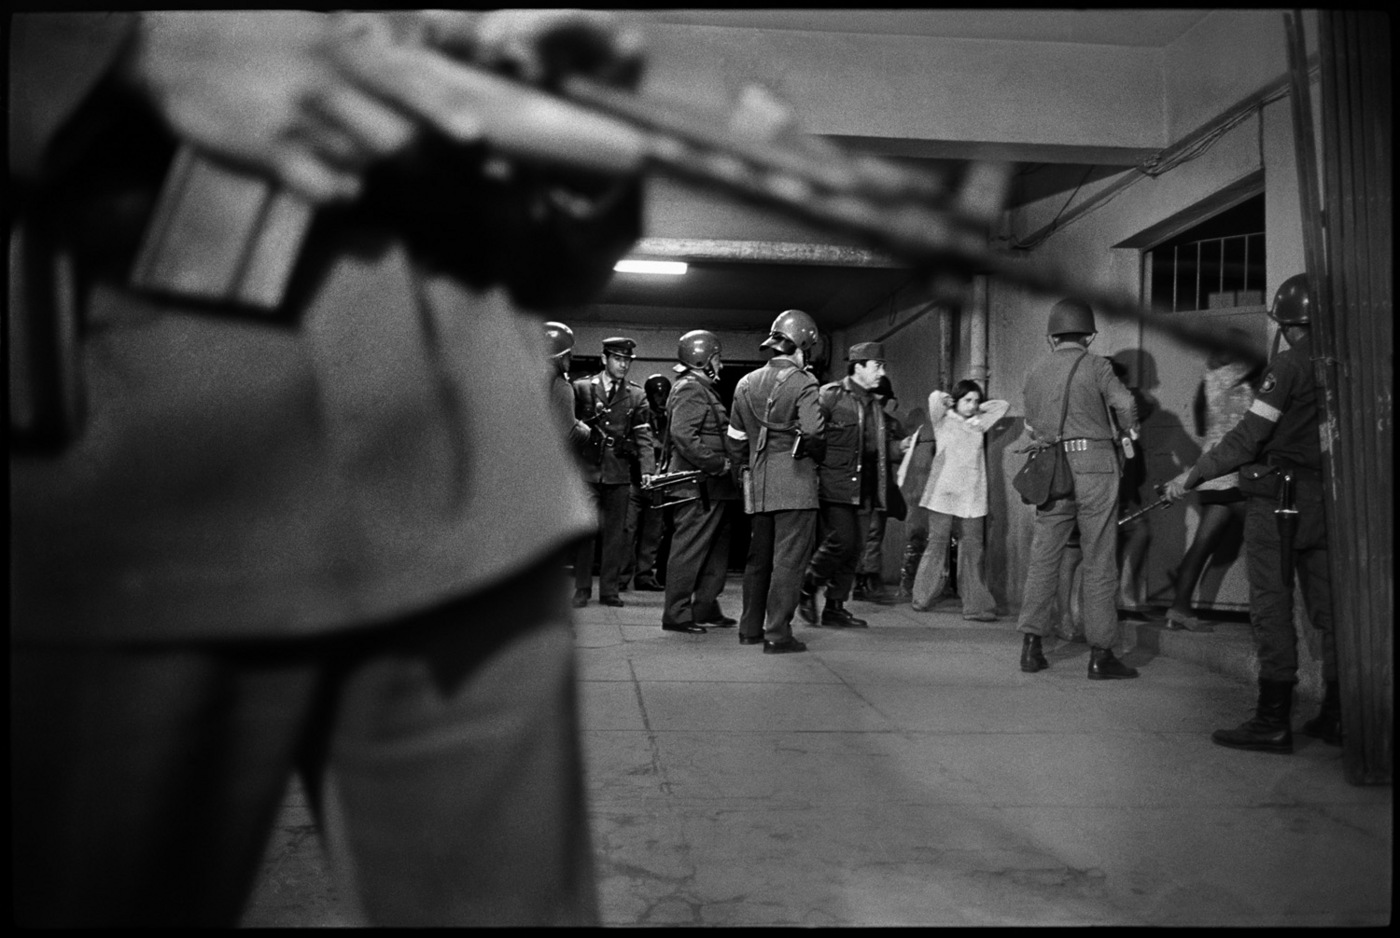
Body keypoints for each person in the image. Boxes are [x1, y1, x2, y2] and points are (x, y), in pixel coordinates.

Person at [10, 9, 644, 927]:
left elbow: (550, 258)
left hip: (473, 482)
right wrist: (115, 49)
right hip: (129, 475)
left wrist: (577, 149)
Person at [1163, 275, 1340, 753]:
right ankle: (1338, 714)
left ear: (1284, 321)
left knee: (1270, 607)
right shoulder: (1342, 363)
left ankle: (1272, 720)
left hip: (1279, 501)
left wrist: (1193, 475)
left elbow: (1248, 438)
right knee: (1329, 610)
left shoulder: (1286, 367)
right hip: (1329, 502)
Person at [1015, 298, 1141, 679]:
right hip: (1095, 469)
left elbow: (1033, 425)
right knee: (1099, 558)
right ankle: (1101, 654)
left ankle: (1031, 647)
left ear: (1052, 336)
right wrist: (1127, 432)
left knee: (1044, 557)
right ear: (1088, 334)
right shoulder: (1097, 365)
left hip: (1053, 469)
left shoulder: (1034, 371)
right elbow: (1125, 403)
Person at [725, 309, 827, 653]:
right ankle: (778, 632)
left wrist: (746, 470)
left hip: (758, 483)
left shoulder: (744, 384)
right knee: (789, 561)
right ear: (802, 346)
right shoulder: (804, 382)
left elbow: (736, 438)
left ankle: (750, 628)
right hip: (795, 486)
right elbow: (813, 432)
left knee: (758, 560)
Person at [799, 342, 909, 630]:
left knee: (856, 547)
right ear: (859, 366)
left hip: (866, 487)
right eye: (877, 365)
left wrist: (900, 448)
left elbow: (877, 447)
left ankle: (835, 607)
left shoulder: (874, 404)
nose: (882, 371)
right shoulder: (831, 395)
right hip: (835, 484)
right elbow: (808, 433)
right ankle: (809, 583)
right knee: (843, 541)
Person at [1162, 332, 1257, 631]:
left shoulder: (1208, 382)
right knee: (1267, 541)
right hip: (1237, 469)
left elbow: (1203, 427)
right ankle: (1273, 615)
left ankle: (1178, 608)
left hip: (1211, 470)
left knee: (1203, 543)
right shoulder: (1251, 379)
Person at [910, 379, 1010, 621]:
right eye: (968, 400)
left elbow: (1002, 406)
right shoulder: (943, 420)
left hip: (972, 495)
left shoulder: (979, 423)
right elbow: (934, 399)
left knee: (974, 548)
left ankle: (976, 606)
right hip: (943, 493)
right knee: (937, 544)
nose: (972, 405)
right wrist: (948, 401)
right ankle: (921, 597)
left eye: (976, 400)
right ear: (956, 401)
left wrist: (978, 407)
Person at [660, 331, 740, 633]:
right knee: (690, 549)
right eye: (716, 359)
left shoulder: (702, 388)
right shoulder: (690, 389)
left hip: (715, 487)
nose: (720, 366)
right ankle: (676, 613)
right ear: (703, 361)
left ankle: (705, 606)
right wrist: (718, 463)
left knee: (716, 550)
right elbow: (684, 436)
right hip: (699, 486)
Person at [571, 336, 655, 607]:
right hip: (587, 471)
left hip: (618, 472)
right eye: (618, 359)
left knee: (615, 535)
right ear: (604, 359)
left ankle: (609, 591)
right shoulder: (581, 387)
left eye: (627, 360)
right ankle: (582, 588)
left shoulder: (637, 394)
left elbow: (644, 435)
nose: (623, 365)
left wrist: (647, 469)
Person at [852, 375, 903, 605]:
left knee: (873, 534)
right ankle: (865, 580)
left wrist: (901, 448)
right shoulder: (858, 419)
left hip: (879, 486)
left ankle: (866, 580)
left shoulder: (890, 424)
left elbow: (891, 454)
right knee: (866, 535)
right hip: (860, 485)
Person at [631, 373, 674, 592]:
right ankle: (622, 574)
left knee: (653, 532)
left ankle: (644, 575)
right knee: (628, 530)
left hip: (659, 481)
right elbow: (634, 443)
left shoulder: (670, 418)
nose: (660, 398)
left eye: (663, 393)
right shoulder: (639, 412)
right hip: (636, 479)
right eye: (656, 393)